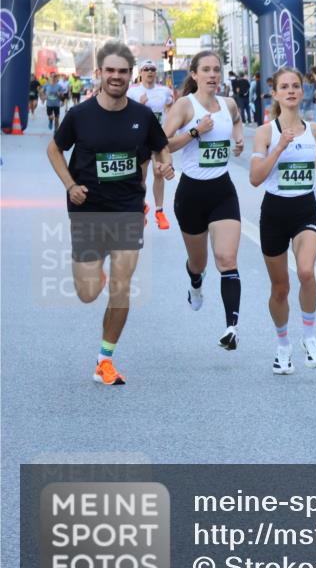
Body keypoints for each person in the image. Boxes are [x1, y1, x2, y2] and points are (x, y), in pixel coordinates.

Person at [45, 40, 174, 385]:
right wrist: (70, 185)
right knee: (88, 293)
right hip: (87, 209)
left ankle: (105, 360)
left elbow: (161, 147)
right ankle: (94, 272)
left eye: (123, 71)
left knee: (121, 285)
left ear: (131, 75)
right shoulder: (80, 115)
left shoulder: (142, 116)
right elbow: (54, 150)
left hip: (127, 208)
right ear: (100, 73)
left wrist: (164, 165)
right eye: (111, 71)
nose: (117, 77)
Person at [162, 50, 246, 350]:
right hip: (191, 194)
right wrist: (196, 132)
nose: (212, 75)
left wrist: (239, 139)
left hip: (222, 191)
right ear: (194, 74)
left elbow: (236, 119)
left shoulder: (228, 104)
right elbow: (163, 142)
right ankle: (196, 284)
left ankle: (231, 328)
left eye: (216, 70)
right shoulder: (185, 105)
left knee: (227, 258)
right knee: (199, 263)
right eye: (206, 70)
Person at [249, 67, 316, 374]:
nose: (291, 91)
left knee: (306, 272)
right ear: (275, 94)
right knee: (280, 288)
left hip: (305, 209)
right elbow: (255, 178)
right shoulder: (265, 132)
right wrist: (280, 147)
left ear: (302, 90)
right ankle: (283, 345)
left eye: (296, 85)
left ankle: (309, 337)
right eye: (284, 87)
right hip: (274, 213)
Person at [127, 60, 175, 231]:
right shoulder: (133, 92)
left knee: (159, 173)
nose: (149, 71)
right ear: (140, 73)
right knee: (141, 177)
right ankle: (141, 207)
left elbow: (171, 105)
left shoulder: (164, 91)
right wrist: (139, 106)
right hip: (140, 138)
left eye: (152, 69)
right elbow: (126, 113)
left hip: (157, 138)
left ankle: (159, 212)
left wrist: (169, 123)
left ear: (156, 72)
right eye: (146, 69)